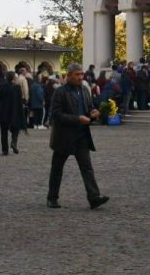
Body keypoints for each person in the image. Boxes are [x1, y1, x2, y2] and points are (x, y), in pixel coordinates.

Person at [47, 64, 108, 210]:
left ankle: (94, 197)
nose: (81, 77)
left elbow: (89, 107)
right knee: (57, 168)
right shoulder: (60, 92)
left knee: (87, 168)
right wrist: (77, 119)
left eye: (82, 74)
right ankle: (52, 197)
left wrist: (93, 113)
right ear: (69, 75)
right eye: (77, 74)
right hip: (64, 136)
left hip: (81, 135)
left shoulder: (85, 90)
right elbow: (56, 114)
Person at [0, 71, 25, 156]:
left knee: (4, 131)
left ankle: (4, 150)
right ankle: (14, 142)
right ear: (13, 78)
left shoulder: (2, 86)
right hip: (14, 111)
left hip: (3, 111)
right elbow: (19, 101)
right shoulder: (17, 87)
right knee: (16, 129)